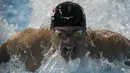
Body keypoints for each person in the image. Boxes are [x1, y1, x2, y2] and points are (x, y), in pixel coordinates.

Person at [0, 1, 130, 72]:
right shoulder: (29, 44)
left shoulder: (110, 45)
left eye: (77, 33)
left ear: (85, 33)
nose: (69, 41)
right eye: (60, 34)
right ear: (51, 32)